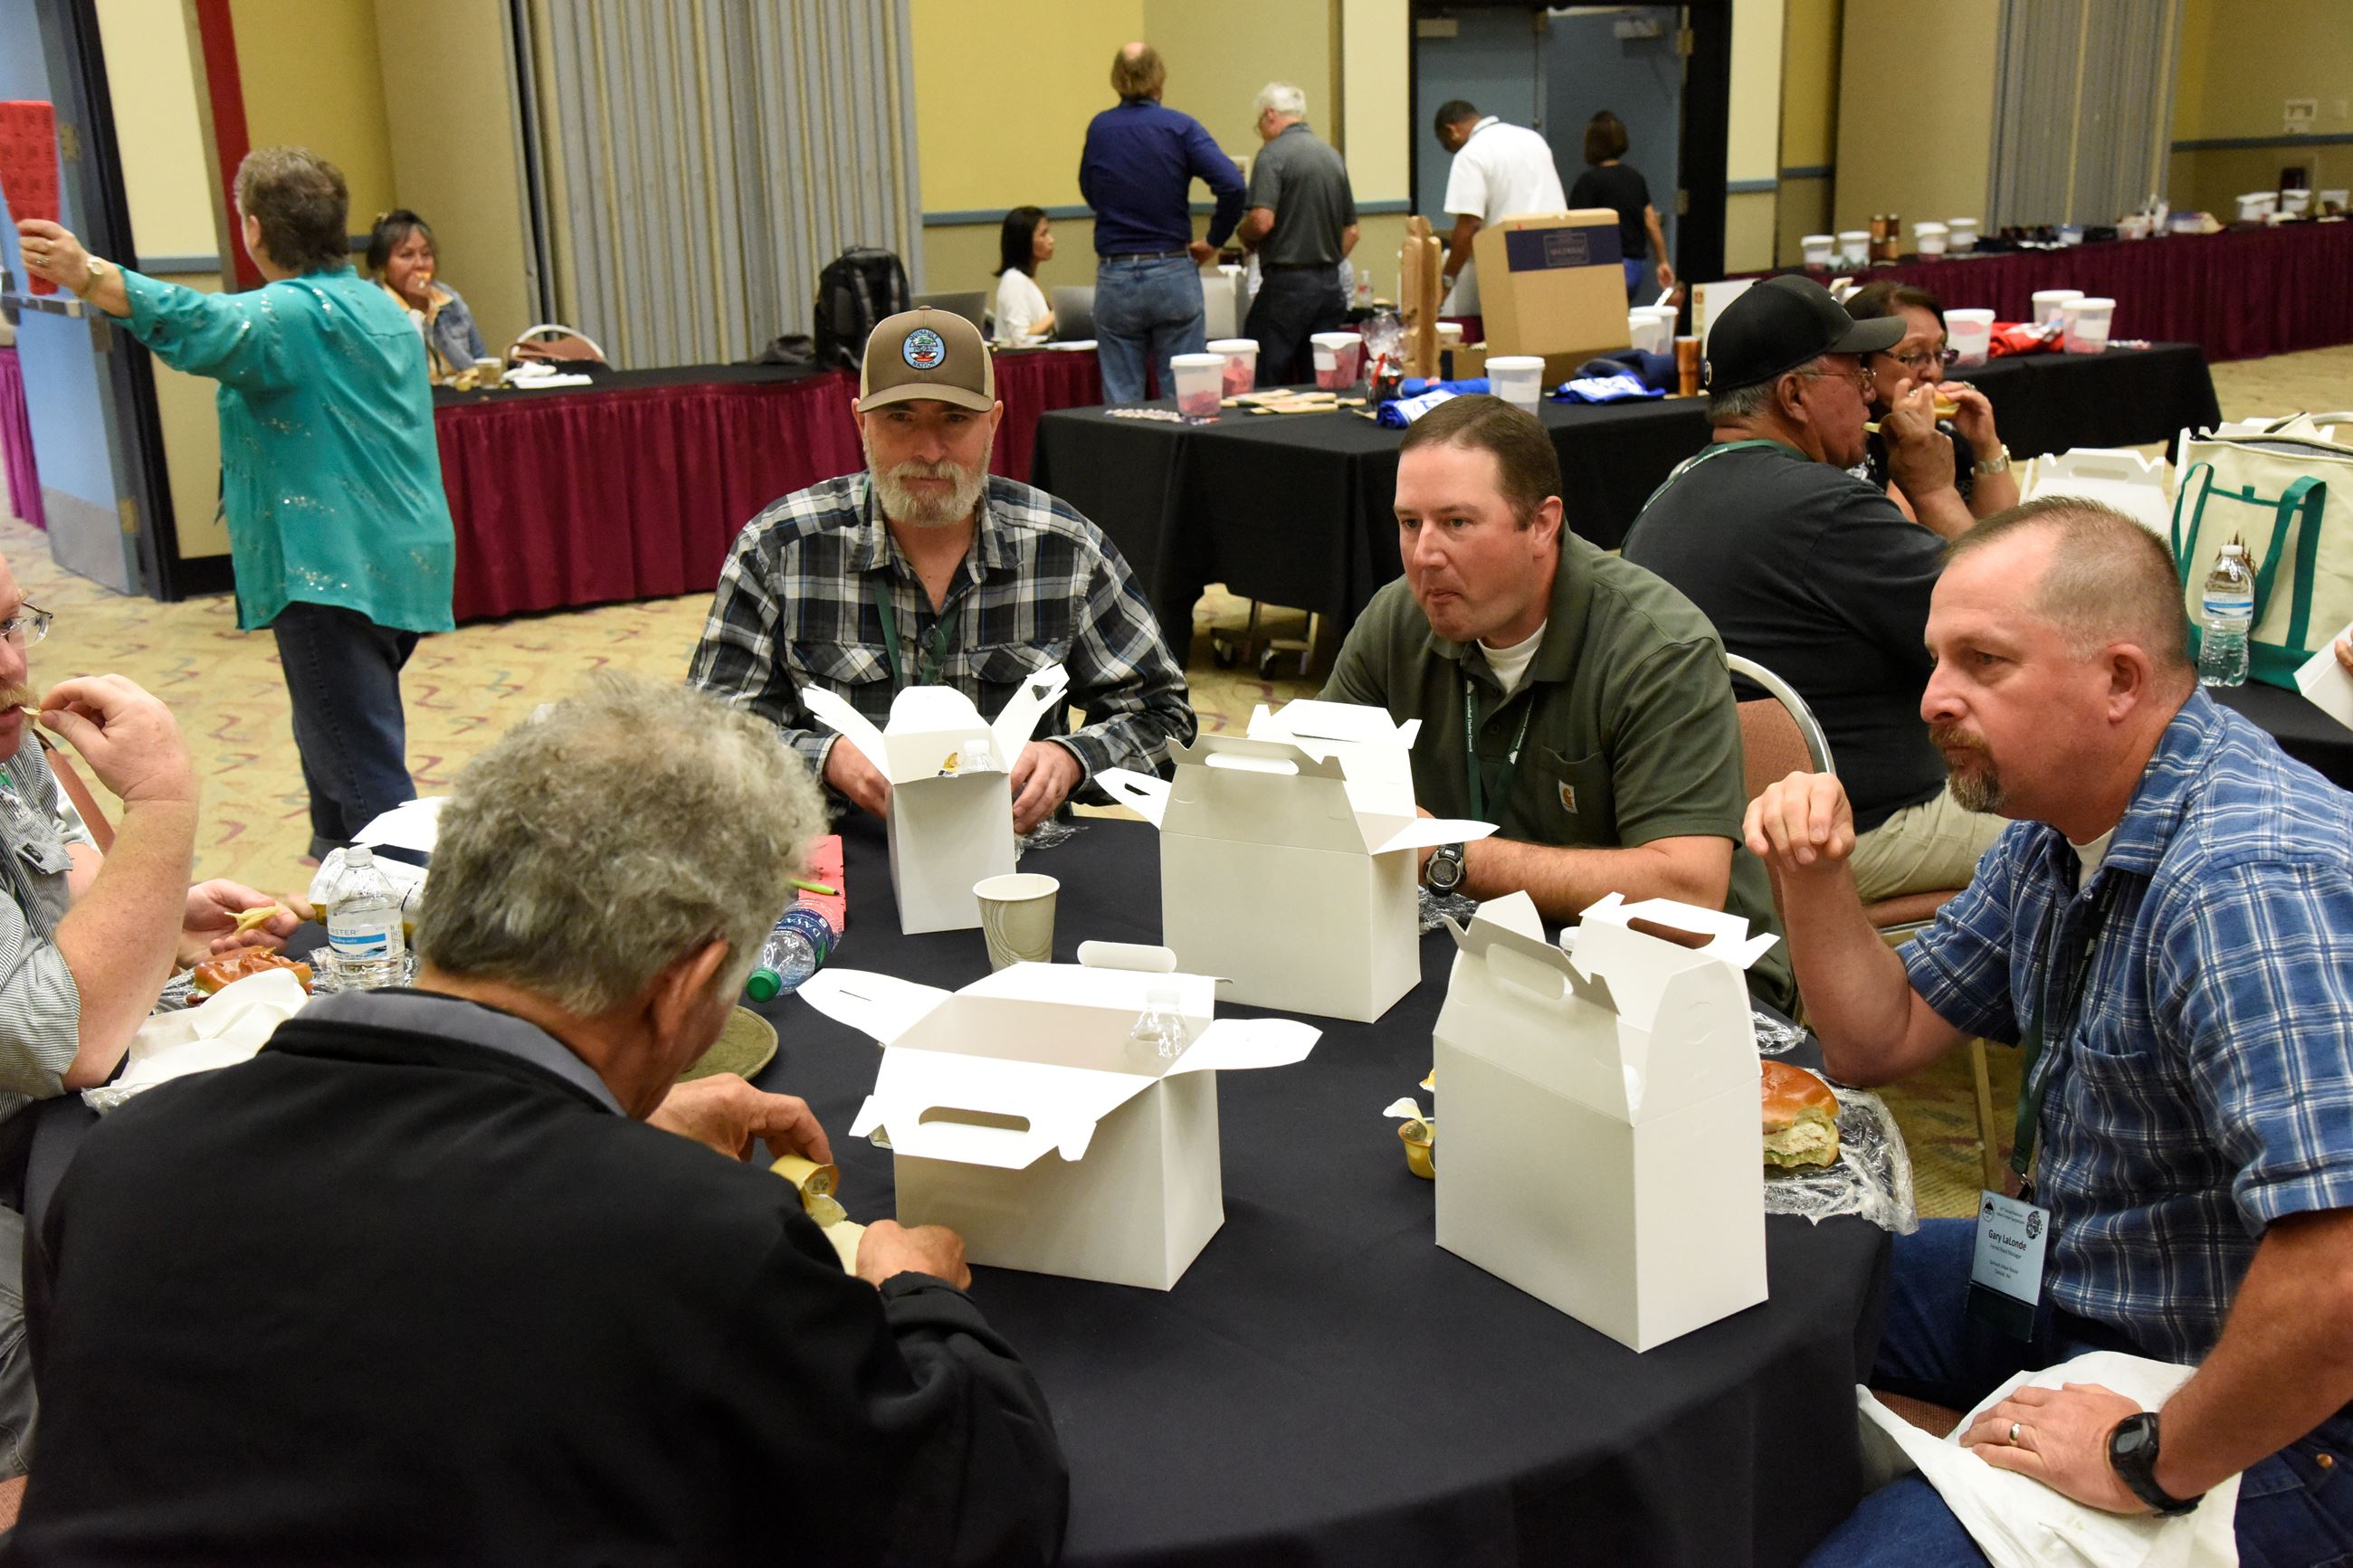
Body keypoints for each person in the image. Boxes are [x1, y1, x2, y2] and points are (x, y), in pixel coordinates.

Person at [6, 673, 1070, 1562]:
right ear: (686, 979)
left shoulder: (127, 1161)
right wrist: (917, 1290)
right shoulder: (702, 1241)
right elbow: (977, 1507)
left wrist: (604, 1124)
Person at [1750, 499, 2353, 1567]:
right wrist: (1812, 879)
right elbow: (1874, 1039)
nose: (1933, 698)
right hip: (2082, 1279)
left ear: (2120, 681)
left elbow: (2340, 1271)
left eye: (1982, 662)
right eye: (1935, 659)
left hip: (2277, 1417)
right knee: (1750, 1268)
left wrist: (2141, 1458)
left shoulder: (2242, 881)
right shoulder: (2052, 824)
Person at [18, 147, 455, 864]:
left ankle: (418, 938)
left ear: (252, 228)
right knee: (339, 746)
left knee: (368, 781)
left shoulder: (288, 315)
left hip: (328, 570)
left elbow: (194, 321)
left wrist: (88, 273)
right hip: (399, 561)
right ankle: (335, 890)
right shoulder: (379, 305)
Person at [1319, 394, 1795, 1012]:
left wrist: (1449, 855)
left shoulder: (1657, 649)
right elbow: (1320, 790)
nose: (1424, 554)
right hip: (1485, 953)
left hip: (1680, 984)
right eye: (1410, 523)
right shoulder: (1398, 620)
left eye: (1457, 522)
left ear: (1542, 523)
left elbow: (1685, 891)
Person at [0, 555, 300, 1479]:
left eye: (12, 625)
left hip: (34, 1116)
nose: (13, 666)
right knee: (73, 1349)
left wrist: (159, 916)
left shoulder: (8, 733)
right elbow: (69, 1039)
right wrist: (163, 799)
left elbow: (64, 892)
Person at [690, 308, 1196, 833]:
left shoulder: (1064, 549)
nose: (929, 451)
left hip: (1015, 860)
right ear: (860, 420)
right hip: (836, 858)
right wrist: (827, 758)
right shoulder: (780, 547)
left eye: (955, 419)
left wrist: (1072, 760)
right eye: (901, 417)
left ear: (994, 422)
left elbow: (1166, 720)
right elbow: (707, 735)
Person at [1622, 274, 2007, 905]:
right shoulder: (1825, 510)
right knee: (2083, 821)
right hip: (1848, 829)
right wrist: (1936, 491)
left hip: (1714, 831)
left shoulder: (1667, 495)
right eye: (1855, 374)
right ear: (1795, 395)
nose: (1869, 397)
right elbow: (2005, 619)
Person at [1078, 42, 1245, 404]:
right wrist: (1214, 240)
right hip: (1172, 269)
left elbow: (1090, 190)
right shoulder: (1180, 127)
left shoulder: (1100, 130)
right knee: (1185, 395)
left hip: (1116, 273)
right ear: (1160, 78)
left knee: (1122, 401)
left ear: (1116, 78)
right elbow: (1232, 184)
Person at [1843, 281, 2020, 524]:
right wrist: (1912, 449)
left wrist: (1987, 446)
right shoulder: (1844, 443)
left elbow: (1999, 531)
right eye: (1915, 356)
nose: (1933, 372)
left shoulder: (1943, 432)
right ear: (1862, 360)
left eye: (1939, 353)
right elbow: (1892, 541)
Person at [1234, 82, 1358, 386]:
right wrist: (1323, 264)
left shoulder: (1272, 155)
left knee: (1260, 380)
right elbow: (1352, 232)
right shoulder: (1332, 156)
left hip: (1285, 290)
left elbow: (1262, 221)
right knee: (1319, 384)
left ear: (1270, 115)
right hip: (1330, 287)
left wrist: (1242, 232)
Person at [1431, 99, 1567, 317]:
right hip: (1559, 253)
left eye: (1448, 146)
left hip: (1512, 264)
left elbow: (1470, 225)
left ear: (1452, 131)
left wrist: (1445, 284)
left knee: (1514, 343)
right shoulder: (1533, 139)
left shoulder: (1470, 155)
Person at [367, 208, 486, 383]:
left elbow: (477, 363)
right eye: (406, 255)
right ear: (382, 263)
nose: (420, 264)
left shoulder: (448, 299)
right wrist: (415, 312)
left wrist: (429, 313)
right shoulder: (370, 304)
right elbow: (401, 377)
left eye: (426, 254)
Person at [1567, 110, 1675, 301]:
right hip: (1634, 267)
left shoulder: (1588, 182)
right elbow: (1651, 222)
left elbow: (1574, 230)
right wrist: (1662, 262)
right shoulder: (1635, 179)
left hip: (1605, 266)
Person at [992, 205, 1056, 344]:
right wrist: (1058, 313)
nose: (1051, 240)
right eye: (1043, 234)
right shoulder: (1013, 280)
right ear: (1024, 240)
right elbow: (1020, 337)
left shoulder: (1026, 279)